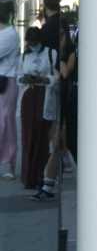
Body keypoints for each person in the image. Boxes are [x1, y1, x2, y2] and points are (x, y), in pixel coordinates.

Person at [17, 25, 54, 193]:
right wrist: (25, 78)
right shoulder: (25, 56)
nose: (32, 45)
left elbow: (57, 78)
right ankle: (28, 177)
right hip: (28, 96)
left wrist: (45, 79)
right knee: (28, 136)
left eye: (34, 42)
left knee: (41, 136)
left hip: (44, 95)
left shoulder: (50, 54)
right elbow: (18, 77)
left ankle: (40, 175)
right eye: (30, 43)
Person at [0, 2, 17, 179]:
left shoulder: (10, 34)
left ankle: (9, 164)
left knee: (6, 124)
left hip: (6, 82)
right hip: (5, 81)